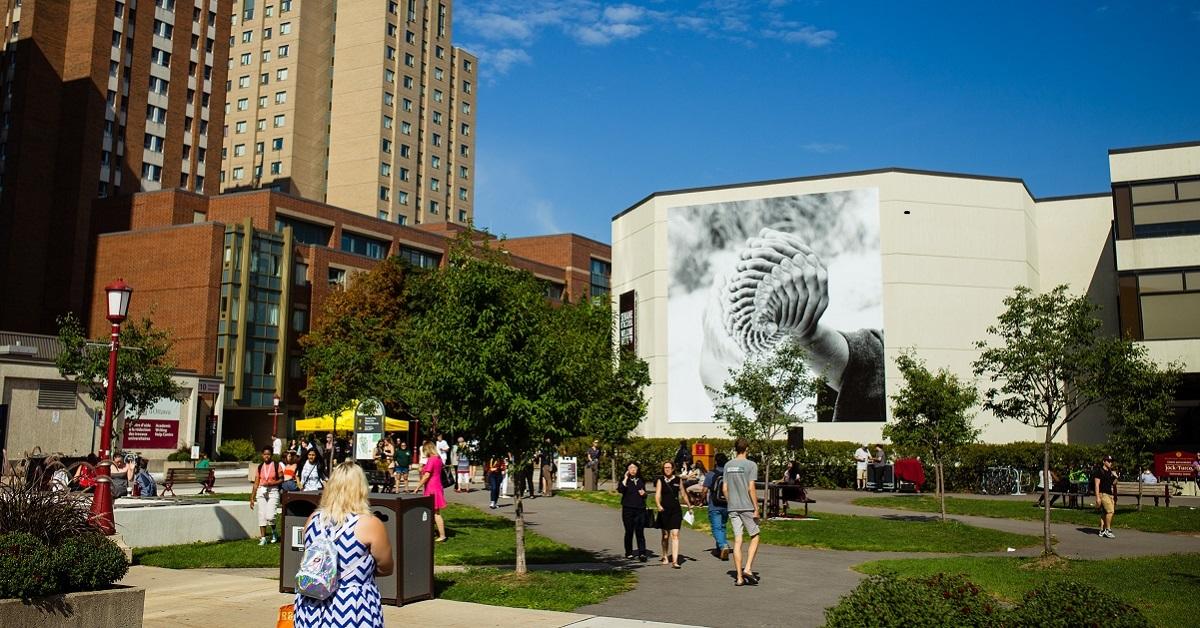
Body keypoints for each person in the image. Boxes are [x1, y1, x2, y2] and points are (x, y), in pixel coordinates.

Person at [293, 462, 393, 628]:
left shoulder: (313, 519)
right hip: (351, 606)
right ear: (361, 488)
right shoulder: (369, 523)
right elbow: (386, 567)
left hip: (312, 603)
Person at [723, 438, 760, 586]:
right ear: (747, 449)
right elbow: (751, 487)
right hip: (747, 506)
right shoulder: (751, 465)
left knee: (738, 541)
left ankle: (739, 577)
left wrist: (730, 500)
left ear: (735, 448)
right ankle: (748, 568)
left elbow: (724, 488)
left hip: (733, 507)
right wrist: (756, 508)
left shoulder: (728, 465)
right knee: (755, 535)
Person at [655, 460, 689, 568]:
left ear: (673, 468)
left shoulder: (678, 480)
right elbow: (657, 494)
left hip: (675, 510)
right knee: (665, 536)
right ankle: (665, 555)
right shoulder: (660, 480)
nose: (667, 469)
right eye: (665, 468)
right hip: (664, 510)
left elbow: (683, 493)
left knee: (675, 535)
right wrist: (658, 505)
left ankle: (675, 561)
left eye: (669, 467)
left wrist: (689, 505)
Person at [414, 442, 447, 542]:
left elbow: (427, 475)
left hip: (432, 488)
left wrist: (417, 487)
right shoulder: (438, 458)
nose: (424, 453)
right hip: (437, 486)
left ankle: (442, 535)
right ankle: (431, 532)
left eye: (424, 450)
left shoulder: (431, 460)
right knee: (432, 512)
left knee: (435, 513)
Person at [250, 446, 283, 544]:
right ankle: (263, 538)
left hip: (273, 490)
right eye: (265, 454)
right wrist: (252, 497)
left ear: (271, 455)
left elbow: (282, 479)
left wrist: (271, 483)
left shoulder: (277, 465)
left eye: (268, 454)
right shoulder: (260, 467)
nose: (266, 456)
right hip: (262, 491)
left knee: (270, 516)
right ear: (262, 455)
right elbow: (256, 483)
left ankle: (274, 532)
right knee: (261, 515)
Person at [617, 462, 648, 562]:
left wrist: (644, 494)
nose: (633, 469)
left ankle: (642, 553)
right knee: (629, 531)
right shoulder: (625, 480)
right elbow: (621, 490)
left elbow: (645, 493)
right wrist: (625, 478)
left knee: (640, 532)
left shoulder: (641, 480)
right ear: (627, 470)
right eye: (630, 468)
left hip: (640, 508)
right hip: (628, 508)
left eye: (635, 467)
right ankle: (629, 552)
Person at [703, 453, 732, 560]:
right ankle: (720, 549)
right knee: (723, 526)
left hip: (714, 504)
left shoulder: (711, 474)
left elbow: (705, 489)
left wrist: (700, 499)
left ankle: (723, 545)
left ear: (715, 461)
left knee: (716, 527)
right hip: (726, 504)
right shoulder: (729, 473)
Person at [1092, 455, 1119, 539]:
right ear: (1104, 461)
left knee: (1104, 512)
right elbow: (1097, 485)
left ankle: (1102, 530)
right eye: (1108, 461)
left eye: (1111, 461)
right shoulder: (1099, 471)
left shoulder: (1110, 471)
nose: (1110, 463)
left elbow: (1113, 483)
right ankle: (1108, 529)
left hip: (1109, 494)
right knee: (1110, 511)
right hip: (1102, 494)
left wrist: (1116, 477)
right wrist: (1097, 497)